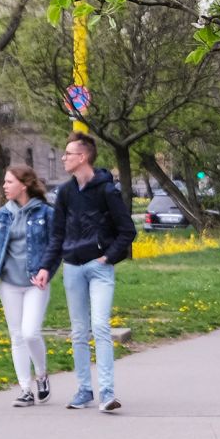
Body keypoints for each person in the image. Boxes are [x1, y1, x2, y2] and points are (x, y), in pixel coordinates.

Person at [43, 135, 137, 412]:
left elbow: (127, 231)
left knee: (100, 326)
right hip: (72, 267)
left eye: (68, 153)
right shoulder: (65, 193)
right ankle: (84, 390)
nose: (63, 158)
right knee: (79, 330)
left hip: (99, 269)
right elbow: (57, 234)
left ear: (83, 157)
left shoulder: (107, 191)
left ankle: (107, 393)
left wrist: (108, 257)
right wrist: (46, 268)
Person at [0, 165, 56, 406]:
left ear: (23, 185)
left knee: (30, 332)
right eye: (4, 182)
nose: (4, 186)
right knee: (17, 336)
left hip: (35, 283)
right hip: (9, 284)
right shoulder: (2, 215)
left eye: (9, 182)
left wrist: (47, 270)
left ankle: (42, 375)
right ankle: (25, 388)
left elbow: (56, 246)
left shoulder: (45, 213)